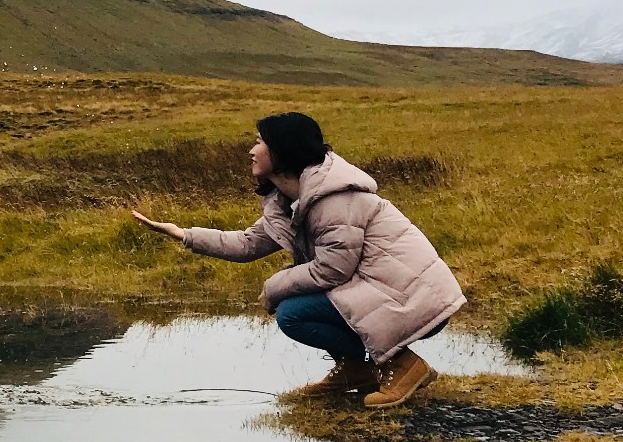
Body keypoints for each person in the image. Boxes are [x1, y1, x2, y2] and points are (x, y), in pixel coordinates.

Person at [131, 112, 465, 407]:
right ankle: (356, 371)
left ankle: (402, 365)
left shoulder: (333, 200)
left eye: (260, 142)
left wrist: (274, 286)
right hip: (384, 294)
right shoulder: (292, 200)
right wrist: (183, 234)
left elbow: (333, 270)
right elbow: (249, 243)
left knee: (293, 312)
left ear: (283, 149)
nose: (251, 150)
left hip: (414, 300)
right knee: (297, 303)